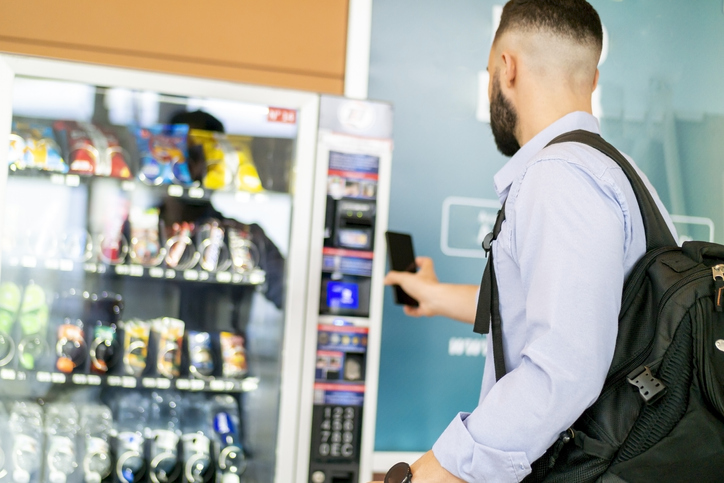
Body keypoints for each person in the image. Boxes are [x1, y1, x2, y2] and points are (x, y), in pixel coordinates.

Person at [375, 0, 676, 481]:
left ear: (505, 68)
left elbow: (564, 368)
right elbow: (567, 310)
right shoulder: (619, 175)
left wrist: (443, 467)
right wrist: (435, 297)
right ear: (593, 79)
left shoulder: (560, 177)